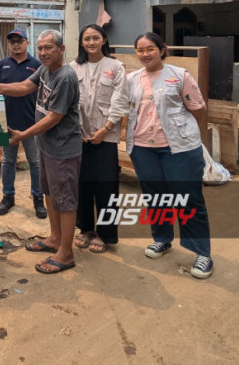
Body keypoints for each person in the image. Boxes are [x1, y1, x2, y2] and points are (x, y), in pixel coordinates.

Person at [0, 30, 82, 274]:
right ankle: (55, 238)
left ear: (61, 49)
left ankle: (66, 252)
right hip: (48, 146)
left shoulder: (65, 76)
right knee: (51, 194)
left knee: (65, 200)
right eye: (40, 48)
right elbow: (23, 87)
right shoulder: (45, 69)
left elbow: (55, 116)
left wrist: (24, 135)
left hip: (63, 149)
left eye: (48, 48)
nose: (43, 52)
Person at [126, 32, 213, 279]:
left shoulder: (179, 75)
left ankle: (202, 253)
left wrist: (185, 134)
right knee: (155, 197)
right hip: (143, 148)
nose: (145, 54)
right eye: (140, 50)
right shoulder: (131, 79)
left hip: (180, 149)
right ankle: (162, 239)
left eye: (150, 48)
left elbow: (197, 108)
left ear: (162, 49)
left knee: (188, 199)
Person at [70, 24, 129, 253]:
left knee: (107, 186)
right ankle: (85, 228)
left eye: (96, 38)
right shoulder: (73, 67)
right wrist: (77, 130)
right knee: (82, 185)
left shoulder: (115, 67)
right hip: (80, 137)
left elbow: (121, 99)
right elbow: (69, 101)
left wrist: (106, 129)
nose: (91, 43)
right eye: (87, 39)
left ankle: (105, 234)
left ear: (104, 40)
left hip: (106, 137)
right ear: (82, 42)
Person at [0, 28, 46, 219]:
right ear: (9, 45)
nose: (16, 44)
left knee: (35, 162)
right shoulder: (1, 66)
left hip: (32, 124)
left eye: (19, 40)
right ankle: (8, 196)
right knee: (8, 161)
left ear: (27, 43)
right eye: (12, 41)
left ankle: (38, 198)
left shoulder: (38, 65)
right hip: (7, 124)